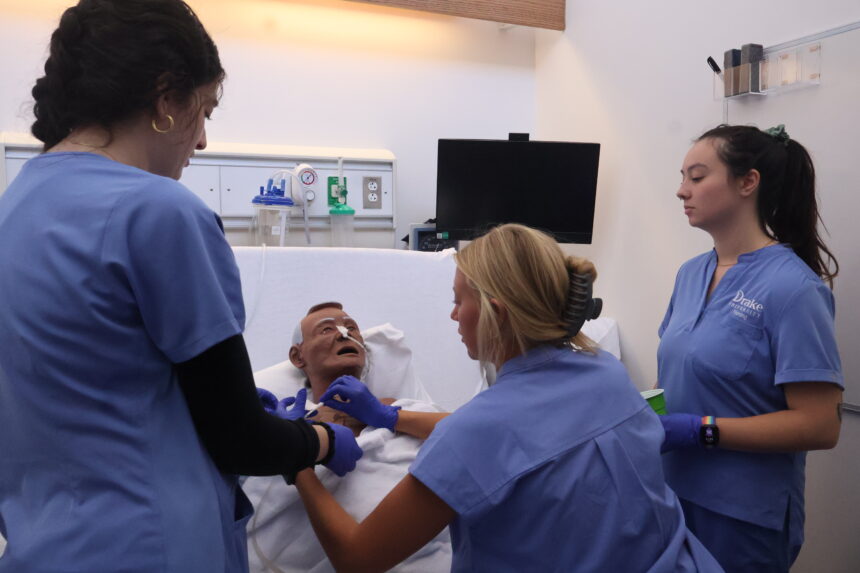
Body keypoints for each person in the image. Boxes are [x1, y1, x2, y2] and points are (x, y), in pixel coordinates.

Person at [0, 2, 360, 572]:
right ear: (167, 98)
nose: (203, 142)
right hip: (151, 545)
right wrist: (320, 438)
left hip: (43, 547)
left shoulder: (14, 209)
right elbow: (240, 439)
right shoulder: (160, 212)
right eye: (205, 111)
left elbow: (86, 387)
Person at [289, 223, 722, 572]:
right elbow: (514, 438)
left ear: (494, 313)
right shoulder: (605, 371)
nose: (453, 314)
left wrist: (298, 455)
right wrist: (389, 416)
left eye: (458, 301)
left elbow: (357, 558)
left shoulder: (474, 432)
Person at [658, 124, 844, 572]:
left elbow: (821, 425)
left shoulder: (793, 288)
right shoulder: (690, 274)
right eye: (682, 178)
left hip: (742, 516)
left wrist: (702, 430)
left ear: (748, 182)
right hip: (673, 494)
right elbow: (682, 375)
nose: (682, 190)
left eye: (697, 177)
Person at [248, 303, 453, 571]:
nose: (343, 333)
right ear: (298, 357)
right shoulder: (285, 428)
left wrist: (389, 417)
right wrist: (291, 443)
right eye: (326, 329)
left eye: (351, 327)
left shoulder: (410, 410)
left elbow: (472, 436)